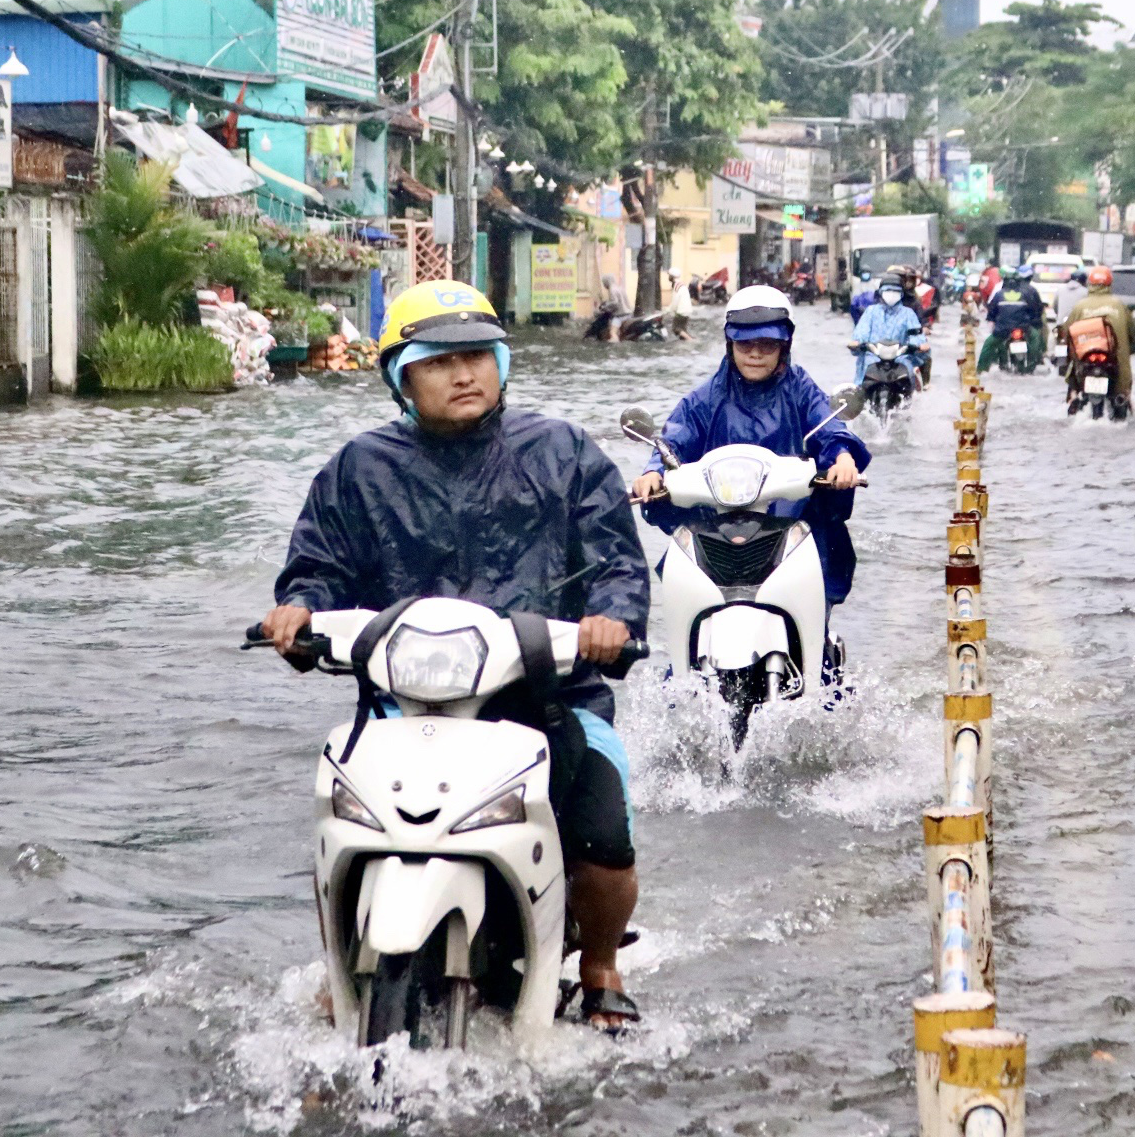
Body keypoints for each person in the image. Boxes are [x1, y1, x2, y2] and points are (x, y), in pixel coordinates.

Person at [262, 280, 650, 1031]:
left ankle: (601, 967)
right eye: (440, 361)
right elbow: (318, 565)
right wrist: (298, 611)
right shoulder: (358, 469)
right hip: (398, 705)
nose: (464, 374)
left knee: (604, 832)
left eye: (478, 356)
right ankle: (344, 958)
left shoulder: (563, 452)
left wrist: (612, 620)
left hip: (547, 695)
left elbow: (616, 560)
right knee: (338, 825)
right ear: (401, 378)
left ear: (502, 364)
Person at [630, 285, 870, 636]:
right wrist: (653, 472)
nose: (755, 354)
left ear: (784, 346)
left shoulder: (801, 389)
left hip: (793, 523)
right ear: (730, 345)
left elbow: (828, 426)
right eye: (745, 345)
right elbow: (674, 438)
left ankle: (820, 666)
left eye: (767, 345)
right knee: (689, 631)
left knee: (815, 633)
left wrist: (842, 458)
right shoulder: (705, 398)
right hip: (716, 526)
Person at [1061, 266, 1135, 412]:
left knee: (1073, 371)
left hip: (1086, 357)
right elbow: (1132, 331)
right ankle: (1122, 396)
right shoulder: (1119, 305)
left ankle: (1074, 396)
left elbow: (1067, 330)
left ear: (1090, 284)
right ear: (1109, 284)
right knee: (1122, 379)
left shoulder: (1080, 306)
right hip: (1112, 359)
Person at [850, 277, 930, 388]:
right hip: (874, 356)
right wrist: (857, 342)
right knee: (863, 375)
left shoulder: (908, 314)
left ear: (901, 294)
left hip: (900, 357)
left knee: (908, 372)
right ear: (881, 292)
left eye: (895, 291)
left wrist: (919, 344)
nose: (891, 294)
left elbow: (915, 333)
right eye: (888, 290)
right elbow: (862, 330)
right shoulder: (871, 312)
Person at [977, 265, 1047, 371]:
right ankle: (1032, 365)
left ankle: (981, 370)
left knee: (988, 345)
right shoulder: (1026, 293)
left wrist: (993, 321)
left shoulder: (999, 294)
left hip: (1003, 329)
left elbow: (991, 312)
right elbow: (1034, 310)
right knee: (1035, 339)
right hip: (1023, 327)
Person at [669, 270, 695, 341]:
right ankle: (687, 341)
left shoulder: (677, 286)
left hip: (681, 311)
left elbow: (675, 300)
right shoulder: (682, 284)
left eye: (669, 275)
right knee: (683, 330)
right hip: (687, 310)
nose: (668, 277)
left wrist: (671, 310)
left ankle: (691, 340)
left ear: (672, 276)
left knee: (676, 329)